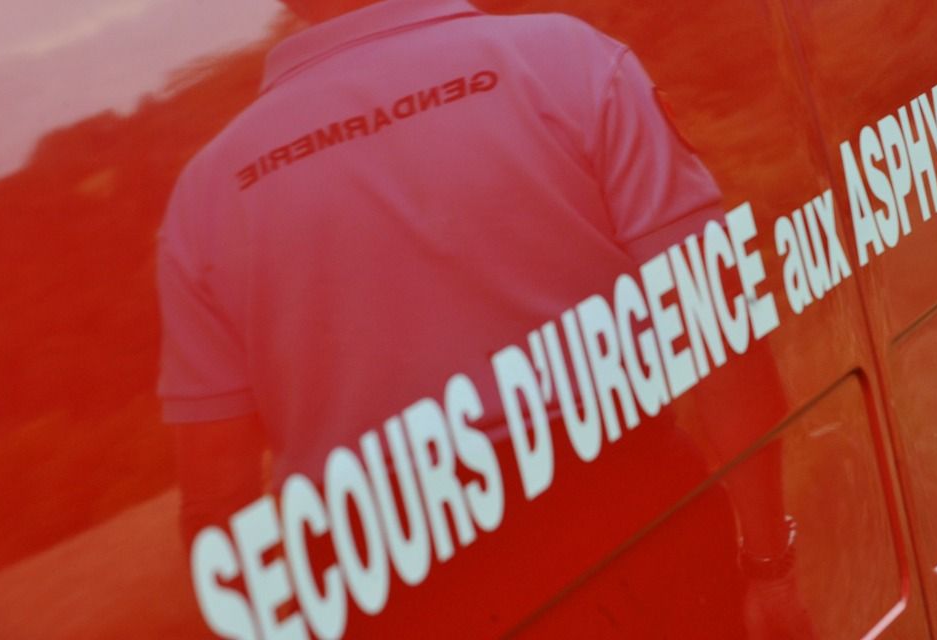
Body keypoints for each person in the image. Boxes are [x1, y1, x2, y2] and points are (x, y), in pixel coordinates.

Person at [157, 0, 774, 636]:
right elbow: (719, 326)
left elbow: (217, 506)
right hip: (630, 529)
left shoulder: (205, 197)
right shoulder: (569, 60)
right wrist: (769, 563)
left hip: (387, 589)